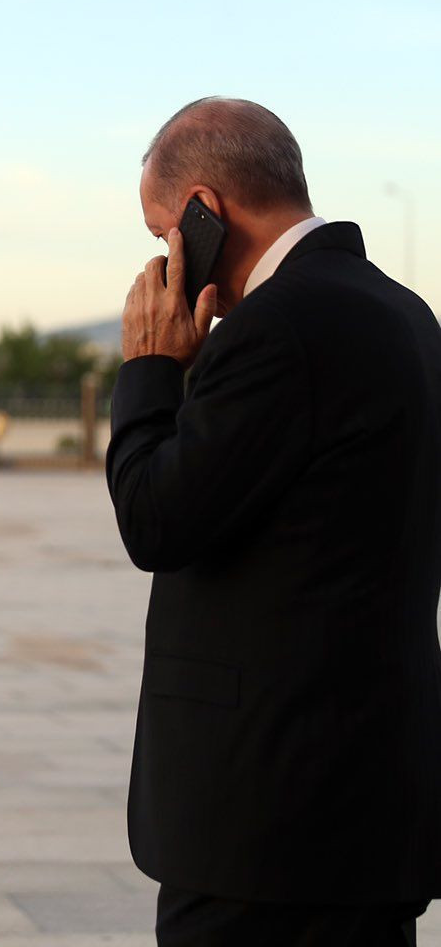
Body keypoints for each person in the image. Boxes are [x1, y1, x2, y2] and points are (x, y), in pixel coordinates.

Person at [105, 96, 441, 946]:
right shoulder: (408, 316)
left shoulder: (276, 330)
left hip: (264, 828)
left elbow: (156, 519)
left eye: (163, 233)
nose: (163, 257)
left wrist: (150, 370)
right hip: (372, 811)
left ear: (203, 211)